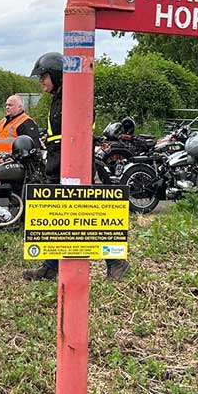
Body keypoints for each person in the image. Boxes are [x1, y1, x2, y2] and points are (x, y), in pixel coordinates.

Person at [22, 51, 128, 283]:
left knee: (87, 218)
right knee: (58, 219)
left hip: (72, 168)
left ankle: (116, 262)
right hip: (59, 165)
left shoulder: (74, 97)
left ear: (56, 75)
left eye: (43, 76)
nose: (41, 81)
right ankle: (50, 267)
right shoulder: (59, 99)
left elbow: (77, 135)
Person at [0, 94, 41, 163]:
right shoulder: (1, 122)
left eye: (10, 105)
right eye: (6, 105)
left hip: (13, 164)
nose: (7, 107)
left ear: (19, 107)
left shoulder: (27, 123)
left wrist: (16, 159)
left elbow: (34, 147)